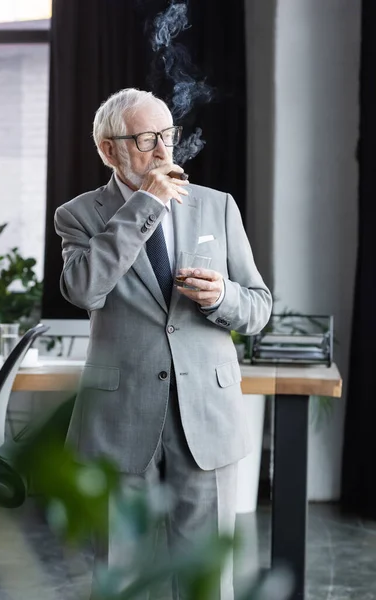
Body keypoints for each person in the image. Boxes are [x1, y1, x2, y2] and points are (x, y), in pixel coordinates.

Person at [54, 88, 272, 600]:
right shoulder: (80, 215)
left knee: (205, 580)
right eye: (146, 138)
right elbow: (84, 289)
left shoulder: (217, 207)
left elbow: (259, 306)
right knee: (119, 572)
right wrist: (147, 203)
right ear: (109, 150)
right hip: (120, 420)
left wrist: (223, 297)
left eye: (167, 136)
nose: (162, 151)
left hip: (205, 416)